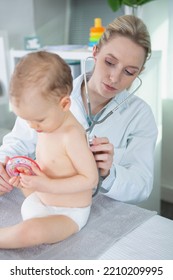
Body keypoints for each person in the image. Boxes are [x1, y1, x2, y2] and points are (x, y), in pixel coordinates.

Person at [0, 15, 157, 205]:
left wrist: (110, 173)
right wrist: (2, 164)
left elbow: (142, 187)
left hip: (102, 210)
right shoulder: (52, 93)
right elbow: (16, 143)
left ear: (138, 73)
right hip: (48, 199)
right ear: (95, 52)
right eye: (109, 62)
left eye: (129, 72)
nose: (114, 78)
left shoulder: (140, 115)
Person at [0, 51, 98, 248]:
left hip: (66, 212)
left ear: (64, 104)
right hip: (39, 197)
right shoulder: (47, 122)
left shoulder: (71, 135)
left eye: (38, 120)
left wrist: (46, 185)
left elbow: (90, 180)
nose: (32, 126)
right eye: (26, 119)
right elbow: (50, 164)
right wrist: (27, 177)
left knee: (30, 232)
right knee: (17, 174)